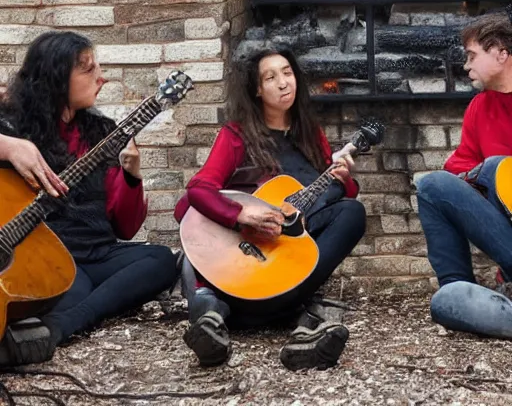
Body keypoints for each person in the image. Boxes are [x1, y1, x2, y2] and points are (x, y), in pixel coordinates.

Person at [174, 47, 366, 371]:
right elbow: (198, 190)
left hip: (285, 257)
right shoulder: (237, 135)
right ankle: (294, 321)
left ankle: (268, 309)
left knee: (352, 213)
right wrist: (241, 216)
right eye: (270, 77)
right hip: (242, 253)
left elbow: (329, 195)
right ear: (257, 90)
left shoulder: (309, 133)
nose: (282, 83)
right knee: (198, 281)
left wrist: (344, 178)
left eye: (287, 72)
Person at [0, 31, 178, 366]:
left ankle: (62, 324)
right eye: (87, 69)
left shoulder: (101, 132)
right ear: (55, 75)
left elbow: (125, 228)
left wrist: (131, 175)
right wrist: (8, 146)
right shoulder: (11, 124)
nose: (101, 77)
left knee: (160, 260)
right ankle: (74, 312)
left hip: (99, 251)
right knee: (73, 288)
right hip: (48, 254)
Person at [417, 11, 512, 338]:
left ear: (501, 53)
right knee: (431, 186)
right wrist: (485, 173)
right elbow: (456, 169)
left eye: (472, 56)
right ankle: (458, 288)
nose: (466, 65)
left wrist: (494, 168)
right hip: (506, 234)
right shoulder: (479, 107)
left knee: (495, 166)